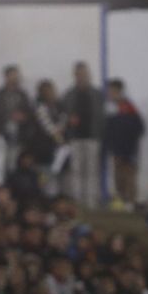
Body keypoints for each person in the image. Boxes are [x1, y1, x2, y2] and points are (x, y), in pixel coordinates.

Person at [60, 61, 104, 207]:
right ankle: (77, 202)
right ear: (75, 75)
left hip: (93, 137)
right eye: (79, 74)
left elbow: (103, 116)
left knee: (92, 170)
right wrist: (69, 119)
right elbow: (62, 114)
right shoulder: (69, 94)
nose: (82, 77)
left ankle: (91, 201)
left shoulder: (97, 94)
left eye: (84, 74)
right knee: (76, 170)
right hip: (75, 137)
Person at [102, 78, 145, 210]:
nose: (110, 93)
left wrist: (130, 145)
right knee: (118, 176)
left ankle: (130, 201)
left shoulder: (129, 107)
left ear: (119, 91)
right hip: (116, 149)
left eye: (112, 91)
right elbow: (108, 129)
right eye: (109, 91)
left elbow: (139, 128)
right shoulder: (110, 108)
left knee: (129, 175)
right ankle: (120, 201)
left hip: (129, 148)